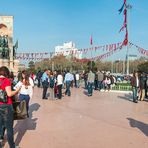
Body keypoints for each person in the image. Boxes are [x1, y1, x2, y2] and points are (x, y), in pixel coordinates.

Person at [0, 66, 21, 148]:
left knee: (0, 126)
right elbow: (9, 94)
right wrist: (17, 91)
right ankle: (12, 146)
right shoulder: (6, 81)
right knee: (9, 128)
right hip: (6, 106)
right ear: (6, 73)